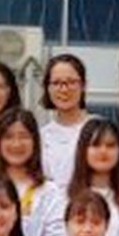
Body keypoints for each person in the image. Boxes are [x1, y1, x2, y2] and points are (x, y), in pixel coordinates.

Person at [38, 53, 90, 185]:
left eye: (71, 82)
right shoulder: (39, 137)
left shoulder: (99, 130)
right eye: (56, 83)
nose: (64, 89)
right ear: (47, 88)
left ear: (83, 85)